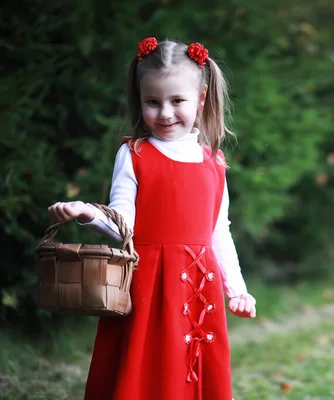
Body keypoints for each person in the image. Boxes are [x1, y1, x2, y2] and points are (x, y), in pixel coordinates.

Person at [47, 37, 256, 400]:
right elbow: (122, 221)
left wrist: (237, 289)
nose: (165, 113)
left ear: (201, 99)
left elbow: (218, 232)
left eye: (177, 101)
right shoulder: (134, 154)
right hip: (147, 285)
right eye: (152, 102)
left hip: (197, 288)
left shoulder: (214, 163)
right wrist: (87, 214)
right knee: (144, 371)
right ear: (139, 100)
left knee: (192, 374)